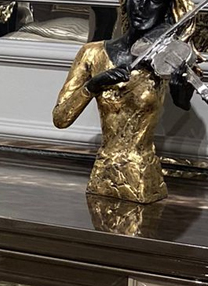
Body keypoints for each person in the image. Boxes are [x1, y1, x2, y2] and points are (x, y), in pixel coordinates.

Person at [53, 0, 200, 204]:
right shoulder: (92, 53)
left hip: (142, 177)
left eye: (154, 0)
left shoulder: (166, 58)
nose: (141, 7)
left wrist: (181, 83)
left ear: (167, 9)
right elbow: (61, 119)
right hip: (102, 175)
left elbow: (182, 102)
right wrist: (94, 85)